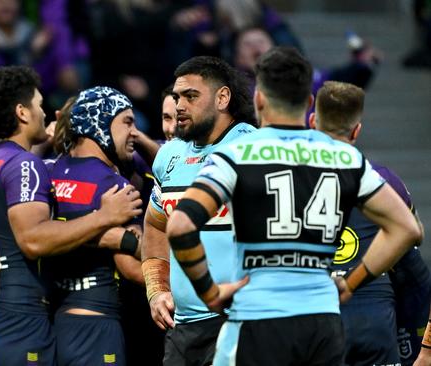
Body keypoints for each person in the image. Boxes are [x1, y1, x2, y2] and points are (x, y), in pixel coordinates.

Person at [164, 46, 423, 366]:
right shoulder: (344, 157)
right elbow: (407, 229)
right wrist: (350, 283)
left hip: (259, 318)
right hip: (323, 322)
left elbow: (179, 225)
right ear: (309, 103)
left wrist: (210, 293)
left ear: (259, 101)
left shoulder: (237, 154)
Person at [0, 67, 142, 366]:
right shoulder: (26, 165)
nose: (45, 114)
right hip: (23, 316)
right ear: (22, 113)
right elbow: (33, 241)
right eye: (38, 105)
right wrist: (105, 218)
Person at [140, 55, 256, 366]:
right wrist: (156, 289)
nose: (179, 106)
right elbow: (154, 226)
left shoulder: (253, 149)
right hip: (184, 330)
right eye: (177, 97)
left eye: (191, 97)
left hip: (244, 323)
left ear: (222, 98)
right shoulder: (169, 156)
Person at [310, 81, 431, 366]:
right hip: (372, 318)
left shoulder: (290, 177)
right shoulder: (385, 181)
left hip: (312, 314)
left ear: (313, 121)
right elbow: (414, 236)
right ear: (356, 130)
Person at [45, 86, 146, 366]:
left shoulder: (44, 171)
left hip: (46, 322)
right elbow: (132, 271)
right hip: (95, 324)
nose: (134, 132)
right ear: (99, 122)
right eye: (127, 121)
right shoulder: (114, 187)